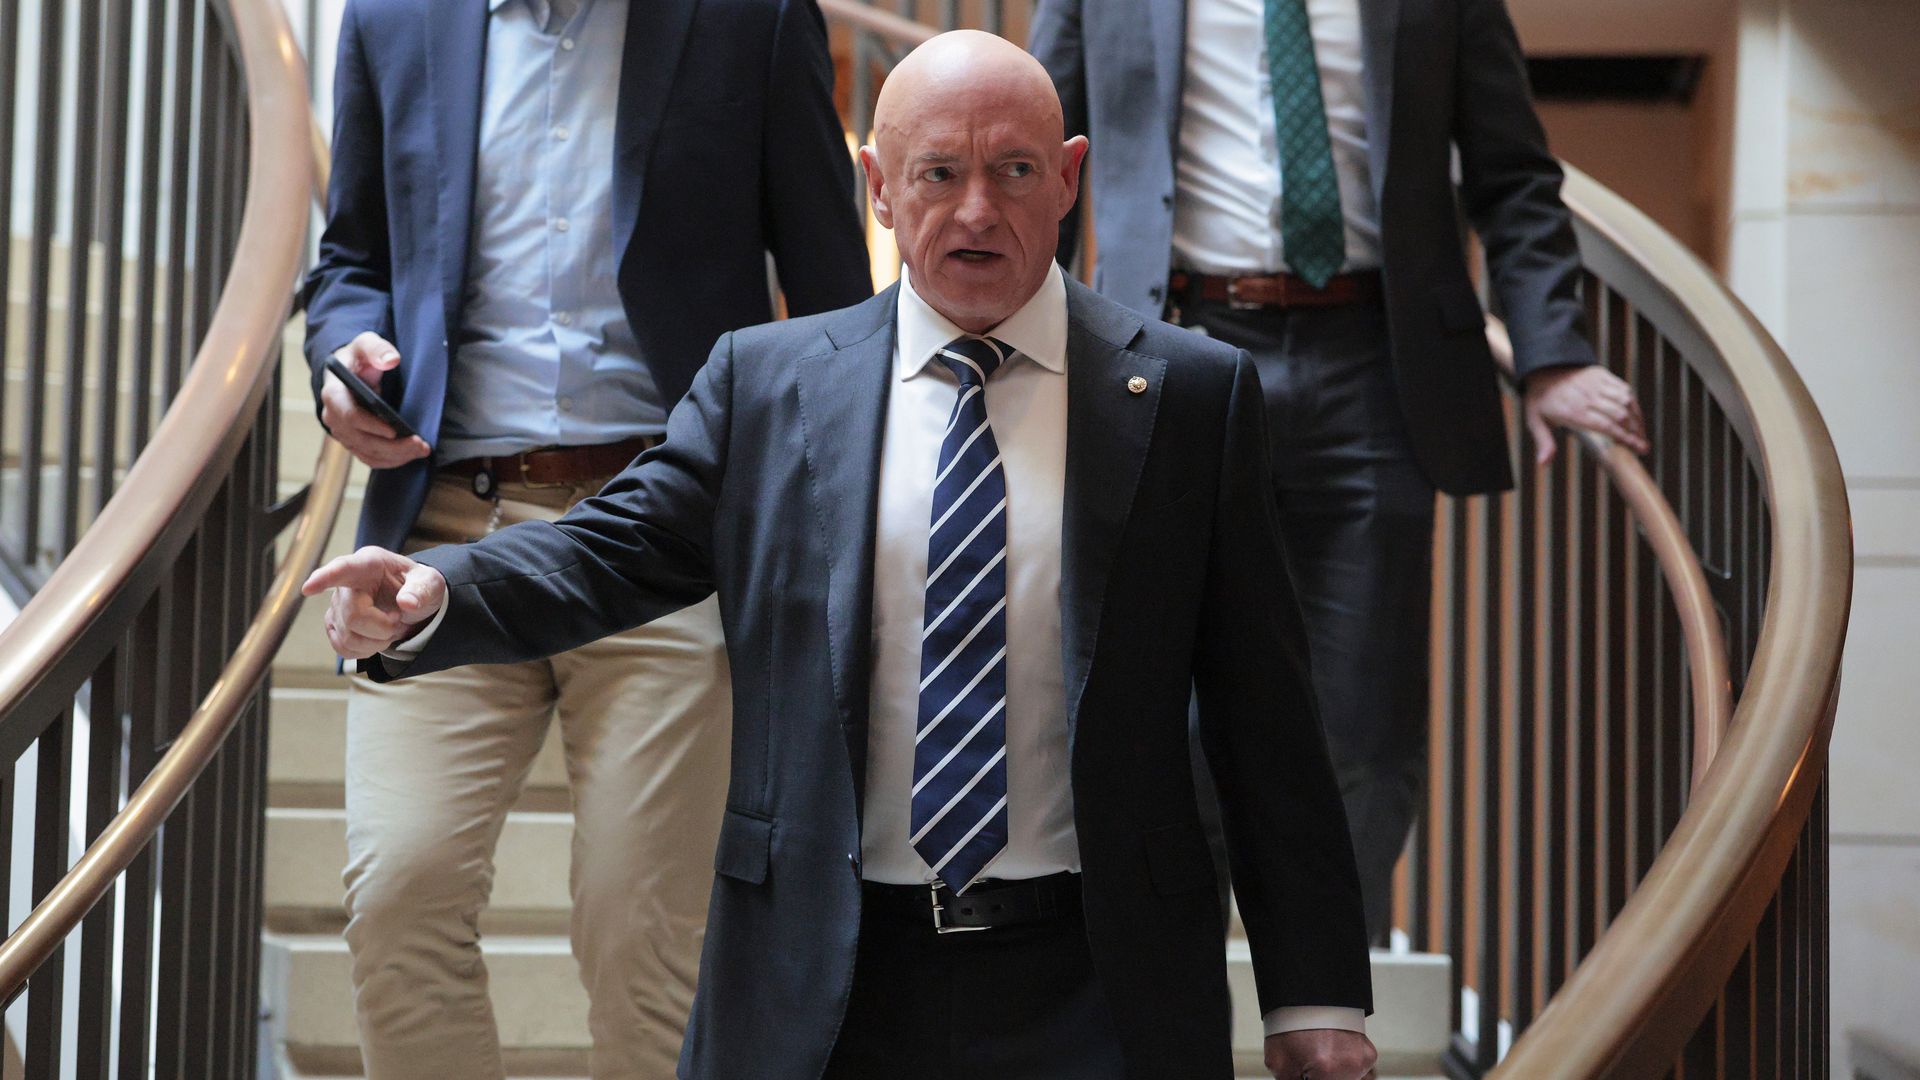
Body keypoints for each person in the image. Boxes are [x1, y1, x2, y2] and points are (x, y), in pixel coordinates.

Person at [304, 29, 1379, 1080]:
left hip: (1101, 985)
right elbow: (611, 548)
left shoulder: (1188, 396)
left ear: (1069, 179)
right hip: (830, 985)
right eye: (938, 173)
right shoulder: (771, 385)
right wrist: (438, 591)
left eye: (1012, 172)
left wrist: (1315, 992)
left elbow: (1266, 718)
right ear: (876, 184)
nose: (975, 210)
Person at [302, 0, 871, 1075]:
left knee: (644, 941)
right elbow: (349, 260)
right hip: (439, 539)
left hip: (664, 531)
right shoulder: (391, 18)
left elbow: (836, 297)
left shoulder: (750, 19)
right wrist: (343, 356)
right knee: (397, 905)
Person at [1030, 0, 1651, 941]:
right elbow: (1040, 175)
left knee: (1363, 729)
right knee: (1168, 720)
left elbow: (1514, 175)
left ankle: (1327, 998)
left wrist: (1551, 352)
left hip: (1373, 363)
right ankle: (1177, 999)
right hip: (1171, 351)